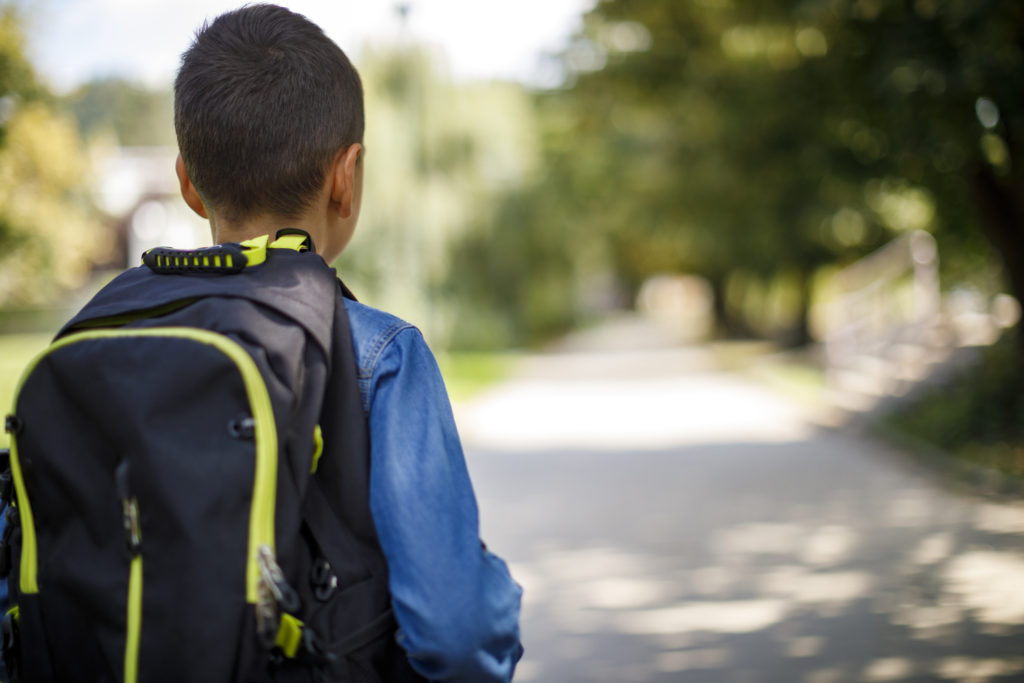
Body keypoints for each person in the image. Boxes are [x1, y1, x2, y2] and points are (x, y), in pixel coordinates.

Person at [171, 4, 523, 681]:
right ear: (347, 176)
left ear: (187, 182)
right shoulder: (376, 354)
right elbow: (457, 635)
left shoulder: (95, 337)